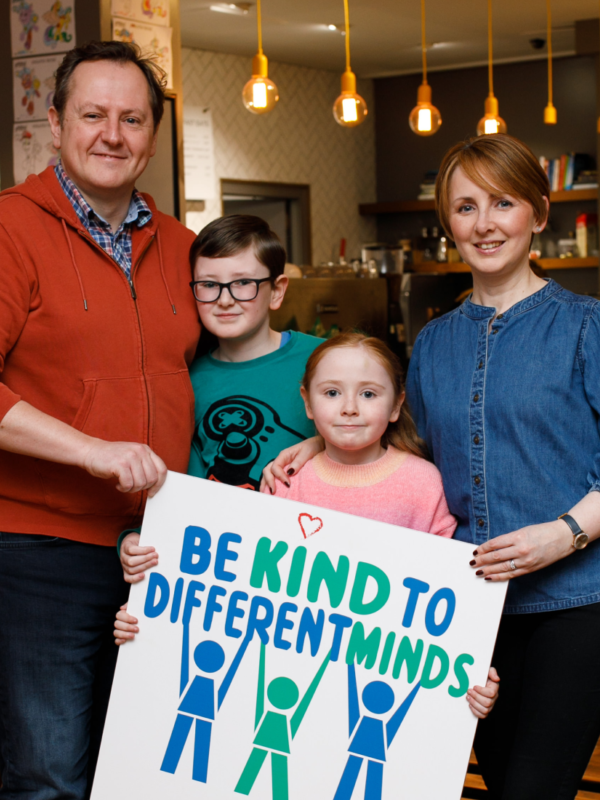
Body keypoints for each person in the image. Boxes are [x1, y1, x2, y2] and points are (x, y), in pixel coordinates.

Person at [266, 134, 600, 800]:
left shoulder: (586, 326)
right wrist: (316, 445)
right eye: (466, 207)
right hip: (467, 609)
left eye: (503, 203)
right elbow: (407, 453)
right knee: (494, 781)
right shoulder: (434, 342)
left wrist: (564, 533)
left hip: (577, 602)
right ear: (449, 222)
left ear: (538, 213)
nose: (484, 224)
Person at [0, 41, 200, 800]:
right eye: (92, 115)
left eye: (132, 119)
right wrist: (90, 450)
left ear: (153, 135)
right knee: (49, 776)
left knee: (152, 774)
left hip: (162, 553)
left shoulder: (182, 245)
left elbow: (236, 364)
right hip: (39, 553)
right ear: (54, 124)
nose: (112, 135)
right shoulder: (10, 228)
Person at [264, 331, 500, 720]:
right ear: (307, 402)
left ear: (396, 405)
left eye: (369, 394)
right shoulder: (286, 482)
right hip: (299, 676)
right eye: (332, 393)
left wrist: (470, 665)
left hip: (390, 685)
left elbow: (450, 592)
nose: (349, 408)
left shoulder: (424, 484)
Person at [117, 215, 321, 586]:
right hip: (227, 575)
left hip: (315, 565)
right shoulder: (183, 380)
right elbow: (177, 489)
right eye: (209, 285)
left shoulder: (325, 360)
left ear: (277, 291)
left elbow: (392, 444)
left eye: (243, 283)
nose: (225, 300)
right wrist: (135, 539)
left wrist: (322, 444)